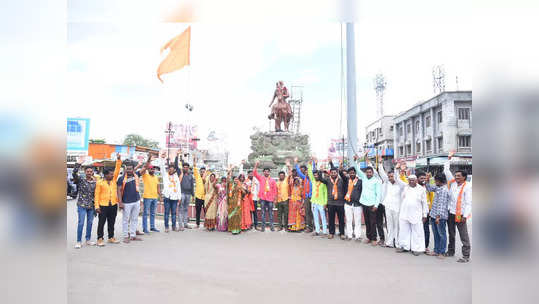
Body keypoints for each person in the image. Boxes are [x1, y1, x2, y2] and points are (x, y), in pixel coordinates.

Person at [444, 151, 472, 262]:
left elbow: (469, 202)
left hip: (460, 215)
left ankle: (466, 256)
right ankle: (451, 251)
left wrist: (465, 216)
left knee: (464, 236)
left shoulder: (467, 187)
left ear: (464, 177)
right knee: (451, 233)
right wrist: (449, 158)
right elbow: (446, 171)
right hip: (451, 213)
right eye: (456, 176)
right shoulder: (452, 183)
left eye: (459, 176)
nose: (456, 177)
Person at [395, 168, 429, 256]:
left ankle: (416, 249)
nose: (411, 182)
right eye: (410, 180)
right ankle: (404, 246)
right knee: (403, 230)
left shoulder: (421, 189)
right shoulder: (405, 187)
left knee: (417, 231)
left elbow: (424, 203)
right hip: (404, 213)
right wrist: (397, 170)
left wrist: (424, 214)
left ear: (416, 180)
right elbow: (397, 179)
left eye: (413, 180)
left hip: (416, 214)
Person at [353, 154, 382, 246]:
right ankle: (368, 237)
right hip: (364, 203)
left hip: (372, 205)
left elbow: (378, 194)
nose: (368, 173)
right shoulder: (364, 177)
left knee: (373, 222)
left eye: (370, 172)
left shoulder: (376, 181)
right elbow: (357, 169)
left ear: (372, 173)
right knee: (367, 221)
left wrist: (376, 205)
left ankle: (374, 238)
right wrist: (356, 161)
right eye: (367, 172)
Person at [93, 154, 122, 247]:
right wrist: (96, 206)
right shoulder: (99, 183)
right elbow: (96, 195)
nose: (113, 175)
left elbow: (117, 169)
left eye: (113, 174)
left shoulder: (113, 180)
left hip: (113, 205)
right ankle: (100, 238)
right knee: (101, 223)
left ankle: (111, 237)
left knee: (112, 222)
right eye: (110, 174)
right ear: (105, 174)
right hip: (103, 206)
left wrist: (118, 160)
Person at [377, 157, 404, 248]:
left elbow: (397, 177)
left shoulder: (400, 184)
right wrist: (380, 163)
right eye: (389, 176)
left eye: (392, 176)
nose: (390, 178)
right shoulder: (387, 183)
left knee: (397, 226)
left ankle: (397, 243)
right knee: (389, 225)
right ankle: (389, 243)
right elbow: (381, 173)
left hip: (397, 208)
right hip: (388, 207)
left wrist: (396, 169)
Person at [72, 159, 97, 248]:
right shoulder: (81, 180)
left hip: (91, 206)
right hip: (81, 205)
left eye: (91, 171)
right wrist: (78, 164)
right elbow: (74, 174)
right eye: (87, 171)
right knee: (81, 223)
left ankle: (88, 240)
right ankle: (78, 241)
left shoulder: (95, 181)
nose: (89, 173)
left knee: (90, 223)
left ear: (93, 172)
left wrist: (96, 206)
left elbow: (96, 194)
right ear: (85, 172)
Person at [117, 160, 144, 243]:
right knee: (125, 220)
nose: (129, 170)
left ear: (133, 169)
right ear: (125, 170)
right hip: (126, 202)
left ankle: (133, 235)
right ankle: (125, 236)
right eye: (127, 169)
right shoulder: (121, 179)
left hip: (136, 201)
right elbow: (118, 191)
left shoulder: (136, 175)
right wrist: (120, 202)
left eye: (130, 169)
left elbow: (145, 167)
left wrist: (149, 159)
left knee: (135, 219)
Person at [425, 173, 451, 258]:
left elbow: (441, 204)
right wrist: (427, 180)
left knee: (442, 235)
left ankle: (441, 252)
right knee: (436, 234)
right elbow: (429, 188)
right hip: (433, 215)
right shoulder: (438, 188)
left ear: (440, 181)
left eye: (436, 180)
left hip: (439, 217)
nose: (435, 182)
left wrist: (438, 217)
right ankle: (436, 251)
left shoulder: (444, 190)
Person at [158, 153, 181, 233]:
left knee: (174, 213)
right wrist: (162, 159)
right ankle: (166, 227)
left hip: (174, 198)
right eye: (169, 169)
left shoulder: (176, 177)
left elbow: (178, 187)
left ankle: (174, 227)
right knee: (166, 213)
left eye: (172, 169)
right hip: (167, 197)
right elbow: (161, 167)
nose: (170, 170)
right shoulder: (165, 175)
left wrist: (179, 197)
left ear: (174, 170)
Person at [325, 160, 347, 240]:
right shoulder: (327, 180)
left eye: (335, 172)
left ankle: (342, 233)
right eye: (332, 172)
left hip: (340, 203)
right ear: (330, 173)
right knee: (331, 219)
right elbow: (319, 178)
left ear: (337, 173)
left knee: (341, 219)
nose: (333, 174)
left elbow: (343, 176)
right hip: (331, 203)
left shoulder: (342, 180)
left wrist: (340, 169)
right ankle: (331, 233)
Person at [253, 161, 277, 232]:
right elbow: (254, 173)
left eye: (267, 171)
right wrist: (256, 165)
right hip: (263, 198)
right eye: (265, 171)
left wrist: (274, 199)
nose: (266, 173)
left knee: (270, 213)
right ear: (263, 172)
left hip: (270, 199)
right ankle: (263, 227)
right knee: (263, 213)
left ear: (269, 173)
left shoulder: (272, 180)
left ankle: (272, 227)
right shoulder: (261, 178)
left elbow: (275, 190)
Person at [140, 154, 161, 233]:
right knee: (145, 213)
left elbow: (158, 187)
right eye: (151, 169)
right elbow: (145, 166)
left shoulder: (156, 177)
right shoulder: (145, 175)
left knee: (152, 213)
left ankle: (152, 227)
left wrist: (160, 196)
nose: (152, 170)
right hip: (147, 197)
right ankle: (145, 228)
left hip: (155, 197)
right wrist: (148, 159)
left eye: (153, 169)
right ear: (148, 170)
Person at [308, 158, 328, 236]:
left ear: (319, 175)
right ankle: (317, 231)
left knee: (323, 218)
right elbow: (310, 173)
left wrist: (325, 203)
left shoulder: (323, 183)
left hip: (321, 203)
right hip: (314, 202)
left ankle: (325, 232)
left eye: (317, 175)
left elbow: (325, 193)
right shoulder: (313, 181)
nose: (315, 176)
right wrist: (310, 164)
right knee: (315, 217)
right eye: (314, 175)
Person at [175, 153, 195, 230]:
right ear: (182, 168)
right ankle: (180, 225)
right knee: (180, 209)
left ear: (188, 168)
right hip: (181, 193)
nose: (185, 168)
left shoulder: (190, 175)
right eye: (184, 167)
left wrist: (193, 195)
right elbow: (176, 166)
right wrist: (177, 156)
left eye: (187, 167)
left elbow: (192, 185)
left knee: (186, 209)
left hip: (188, 194)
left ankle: (185, 224)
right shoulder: (180, 173)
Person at [343, 165, 363, 241]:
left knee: (358, 221)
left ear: (355, 173)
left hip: (357, 204)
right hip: (348, 203)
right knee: (349, 220)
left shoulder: (360, 181)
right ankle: (349, 235)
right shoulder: (346, 180)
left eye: (353, 173)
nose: (352, 174)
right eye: (350, 173)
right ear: (348, 174)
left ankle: (358, 236)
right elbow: (341, 174)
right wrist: (341, 169)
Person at [295, 157, 313, 233]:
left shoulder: (313, 179)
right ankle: (309, 227)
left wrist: (311, 163)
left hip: (313, 198)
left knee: (313, 212)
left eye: (308, 172)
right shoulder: (304, 178)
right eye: (305, 173)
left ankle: (315, 226)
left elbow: (313, 168)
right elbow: (298, 172)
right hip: (306, 198)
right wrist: (296, 163)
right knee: (307, 212)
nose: (307, 174)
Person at [193, 154, 207, 229]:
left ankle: (206, 224)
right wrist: (194, 160)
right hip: (198, 197)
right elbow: (194, 167)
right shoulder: (197, 176)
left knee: (206, 211)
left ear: (205, 172)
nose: (202, 173)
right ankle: (197, 224)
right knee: (198, 212)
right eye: (201, 171)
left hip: (205, 198)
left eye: (203, 172)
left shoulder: (207, 178)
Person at [275, 165, 290, 231]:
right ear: (279, 176)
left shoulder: (286, 180)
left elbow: (290, 174)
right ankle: (280, 227)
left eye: (282, 175)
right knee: (279, 215)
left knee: (286, 214)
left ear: (284, 176)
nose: (281, 176)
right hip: (279, 200)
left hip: (285, 200)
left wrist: (289, 166)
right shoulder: (277, 183)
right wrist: (275, 200)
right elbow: (275, 192)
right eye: (280, 175)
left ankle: (286, 227)